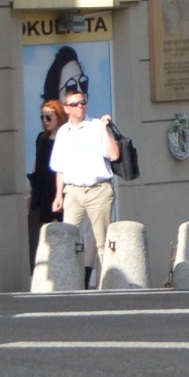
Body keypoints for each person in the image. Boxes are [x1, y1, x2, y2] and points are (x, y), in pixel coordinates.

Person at [49, 88, 118, 289]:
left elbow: (114, 155)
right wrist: (58, 195)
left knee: (102, 242)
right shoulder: (63, 132)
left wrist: (105, 129)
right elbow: (59, 167)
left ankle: (106, 286)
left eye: (83, 102)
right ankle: (70, 284)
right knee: (68, 238)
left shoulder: (97, 126)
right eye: (75, 104)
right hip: (73, 191)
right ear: (66, 108)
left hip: (98, 190)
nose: (81, 106)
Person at [27, 99, 68, 270]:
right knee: (43, 231)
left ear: (58, 117)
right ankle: (45, 268)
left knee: (62, 228)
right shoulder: (41, 139)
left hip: (59, 188)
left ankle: (63, 267)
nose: (45, 121)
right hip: (42, 189)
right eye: (42, 117)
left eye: (49, 117)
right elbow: (37, 164)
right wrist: (30, 190)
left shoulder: (66, 138)